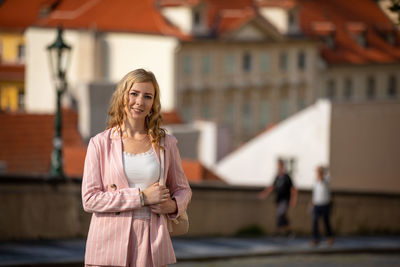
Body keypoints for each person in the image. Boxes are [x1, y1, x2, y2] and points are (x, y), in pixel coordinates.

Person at [81, 69, 192, 267]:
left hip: (151, 241)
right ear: (123, 96)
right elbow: (89, 199)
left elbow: (183, 189)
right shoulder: (99, 143)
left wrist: (173, 206)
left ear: (153, 104)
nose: (140, 101)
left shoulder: (166, 143)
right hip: (108, 242)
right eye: (134, 94)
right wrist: (141, 198)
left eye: (147, 96)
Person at [259, 159, 298, 236]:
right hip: (279, 199)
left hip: (285, 199)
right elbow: (272, 187)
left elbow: (293, 189)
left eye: (280, 166)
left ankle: (277, 231)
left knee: (281, 214)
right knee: (282, 215)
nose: (279, 168)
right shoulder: (277, 177)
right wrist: (264, 193)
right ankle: (289, 231)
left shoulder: (287, 177)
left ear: (283, 167)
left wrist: (293, 200)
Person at [310, 166, 333, 246]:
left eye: (319, 171)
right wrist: (312, 203)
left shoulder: (326, 179)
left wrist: (321, 175)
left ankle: (329, 237)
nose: (317, 173)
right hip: (317, 204)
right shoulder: (315, 181)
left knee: (326, 221)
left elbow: (323, 181)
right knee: (315, 221)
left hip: (325, 204)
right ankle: (316, 238)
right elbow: (315, 193)